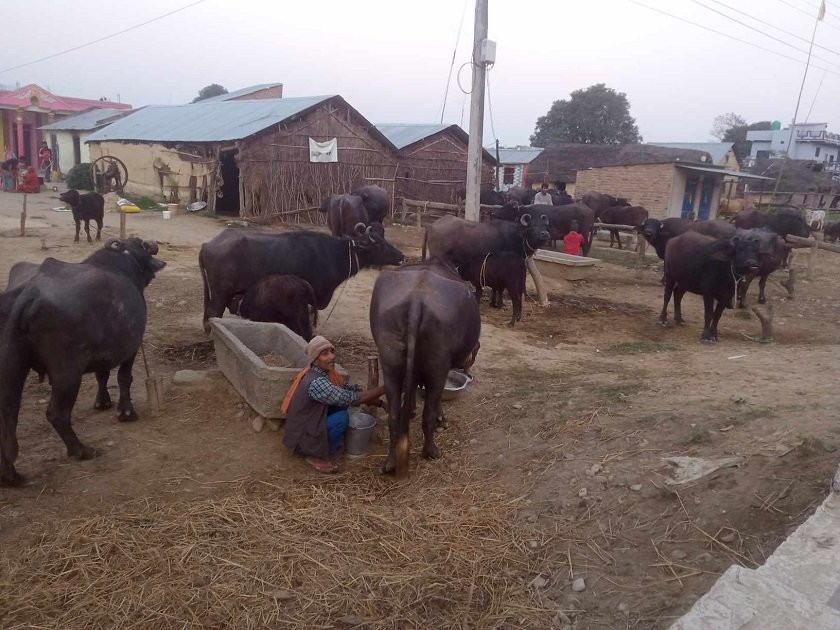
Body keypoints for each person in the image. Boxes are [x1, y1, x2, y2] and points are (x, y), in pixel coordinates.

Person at [281, 335, 385, 473]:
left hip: (309, 425)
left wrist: (379, 402)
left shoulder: (325, 373)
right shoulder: (316, 382)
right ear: (315, 360)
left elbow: (348, 389)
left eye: (331, 351)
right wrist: (386, 388)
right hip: (301, 440)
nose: (332, 356)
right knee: (341, 417)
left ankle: (322, 445)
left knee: (341, 407)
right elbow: (351, 398)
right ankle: (316, 456)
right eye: (325, 354)